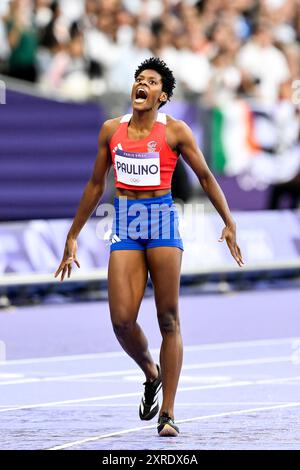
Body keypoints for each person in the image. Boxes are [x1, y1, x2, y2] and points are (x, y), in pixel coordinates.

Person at [55, 57, 244, 437]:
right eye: (139, 79)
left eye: (152, 81)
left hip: (160, 222)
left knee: (168, 319)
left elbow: (205, 176)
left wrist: (229, 221)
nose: (142, 84)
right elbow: (96, 185)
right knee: (122, 321)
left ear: (163, 96)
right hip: (125, 223)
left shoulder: (175, 133)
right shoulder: (112, 130)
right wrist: (73, 234)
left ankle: (168, 414)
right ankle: (150, 372)